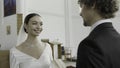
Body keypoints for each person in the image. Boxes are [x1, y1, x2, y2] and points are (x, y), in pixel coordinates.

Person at [76, 0, 120, 68]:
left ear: (93, 4)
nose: (80, 13)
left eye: (81, 6)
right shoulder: (118, 39)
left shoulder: (89, 45)